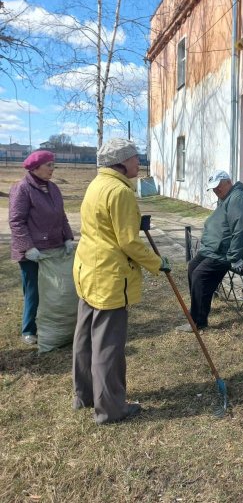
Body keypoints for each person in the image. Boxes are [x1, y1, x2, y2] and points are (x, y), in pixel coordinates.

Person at [72, 138, 170, 425]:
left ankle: (84, 395)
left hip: (88, 271)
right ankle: (111, 409)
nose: (138, 163)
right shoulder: (121, 192)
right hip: (109, 277)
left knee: (85, 339)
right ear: (121, 162)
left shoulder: (97, 184)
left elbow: (106, 224)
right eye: (134, 158)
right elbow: (128, 242)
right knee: (107, 346)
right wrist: (157, 263)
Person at [9, 150, 74, 345]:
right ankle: (29, 329)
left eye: (54, 165)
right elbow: (16, 221)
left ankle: (50, 324)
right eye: (49, 165)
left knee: (54, 290)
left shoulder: (53, 188)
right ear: (35, 168)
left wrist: (67, 237)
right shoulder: (22, 189)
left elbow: (61, 215)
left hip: (53, 248)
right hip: (33, 253)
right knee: (33, 290)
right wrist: (27, 247)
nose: (52, 169)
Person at [176, 170, 243, 332]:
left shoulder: (238, 198)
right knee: (192, 269)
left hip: (223, 252)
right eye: (213, 188)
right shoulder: (226, 197)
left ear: (228, 182)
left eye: (218, 187)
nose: (216, 191)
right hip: (212, 249)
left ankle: (198, 321)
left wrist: (235, 256)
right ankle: (197, 311)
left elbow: (242, 228)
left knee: (200, 276)